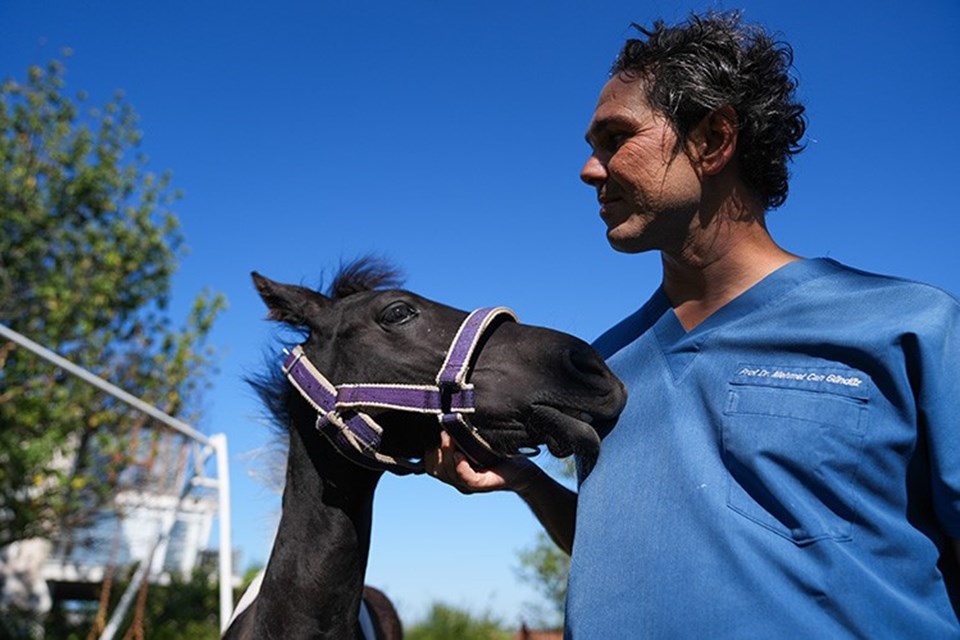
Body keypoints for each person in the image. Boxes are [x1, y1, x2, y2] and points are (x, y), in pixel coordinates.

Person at [425, 11, 960, 638]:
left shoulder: (909, 327)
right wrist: (526, 483)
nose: (588, 170)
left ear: (712, 139)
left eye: (614, 138)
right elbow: (628, 560)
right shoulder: (603, 366)